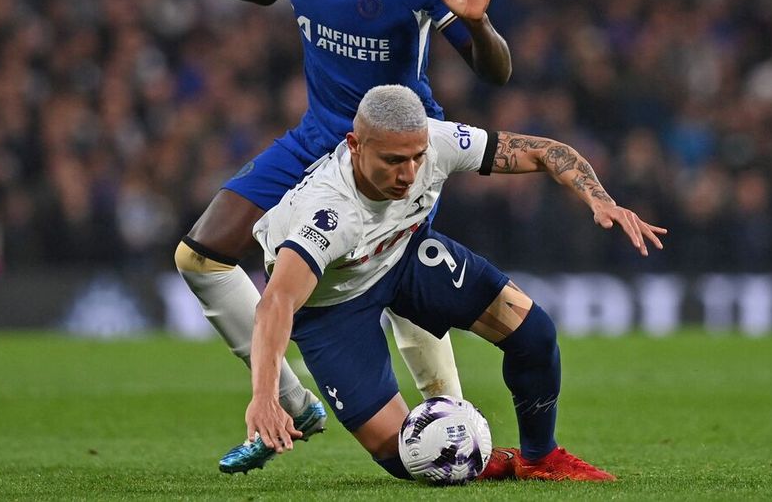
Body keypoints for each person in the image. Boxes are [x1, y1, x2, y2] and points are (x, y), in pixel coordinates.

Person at [98, 0, 511, 469]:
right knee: (200, 256)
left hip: (393, 148)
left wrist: (479, 24)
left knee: (400, 288)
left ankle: (454, 434)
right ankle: (292, 404)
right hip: (320, 137)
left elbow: (495, 72)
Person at [242, 84, 666, 481]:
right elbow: (276, 302)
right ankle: (485, 459)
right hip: (331, 306)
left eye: (417, 157)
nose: (409, 174)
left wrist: (599, 198)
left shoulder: (441, 142)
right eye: (393, 161)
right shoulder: (328, 214)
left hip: (402, 255)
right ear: (354, 146)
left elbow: (543, 151)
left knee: (534, 334)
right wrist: (264, 397)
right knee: (406, 456)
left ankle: (541, 456)